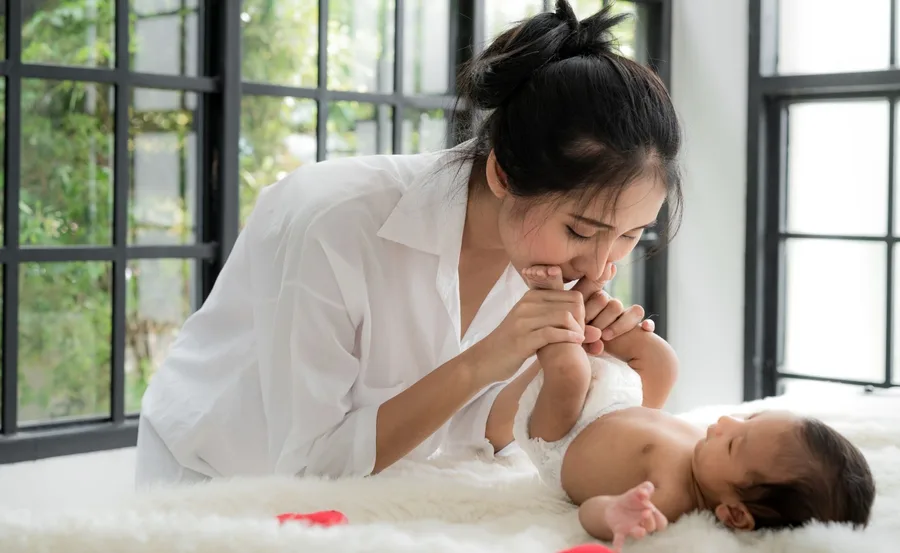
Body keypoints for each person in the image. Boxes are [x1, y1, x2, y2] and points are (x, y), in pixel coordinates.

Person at [134, 0, 683, 487]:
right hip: (214, 483)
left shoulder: (536, 256)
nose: (601, 267)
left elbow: (482, 433)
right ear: (503, 176)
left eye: (631, 236)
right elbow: (306, 468)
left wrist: (564, 360)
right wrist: (485, 359)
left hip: (376, 491)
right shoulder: (331, 222)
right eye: (582, 232)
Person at [509, 275, 875, 551]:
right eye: (746, 420)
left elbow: (589, 513)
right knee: (664, 363)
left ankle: (554, 302)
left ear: (735, 514)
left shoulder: (670, 499)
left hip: (563, 436)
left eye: (734, 444)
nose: (724, 424)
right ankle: (593, 308)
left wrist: (616, 513)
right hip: (614, 405)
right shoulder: (709, 457)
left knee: (572, 374)